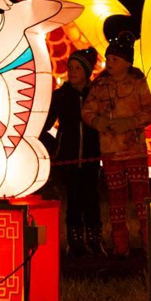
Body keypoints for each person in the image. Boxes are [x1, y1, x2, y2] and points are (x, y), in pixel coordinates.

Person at [82, 32, 151, 257]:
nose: (110, 63)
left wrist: (130, 122)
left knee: (141, 199)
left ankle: (147, 244)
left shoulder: (138, 84)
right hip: (110, 152)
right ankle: (120, 246)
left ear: (127, 62)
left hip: (134, 151)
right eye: (108, 59)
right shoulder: (100, 86)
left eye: (115, 59)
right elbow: (87, 111)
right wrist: (100, 122)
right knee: (115, 202)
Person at [43, 47, 105, 258]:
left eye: (77, 68)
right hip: (68, 157)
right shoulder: (60, 96)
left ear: (87, 71)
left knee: (92, 198)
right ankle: (75, 242)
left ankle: (95, 240)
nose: (72, 71)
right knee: (74, 199)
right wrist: (55, 146)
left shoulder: (95, 95)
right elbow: (46, 124)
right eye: (70, 67)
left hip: (91, 155)